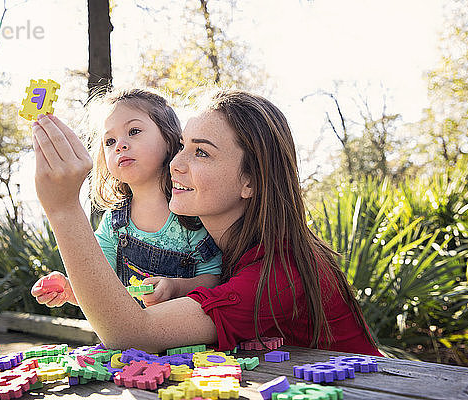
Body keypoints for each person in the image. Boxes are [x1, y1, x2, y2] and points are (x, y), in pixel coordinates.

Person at [30, 89, 382, 356]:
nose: (175, 164)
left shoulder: (277, 273)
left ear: (251, 181)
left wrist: (62, 208)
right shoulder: (225, 253)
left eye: (201, 152)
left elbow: (132, 335)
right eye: (181, 146)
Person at [31, 89, 222, 308]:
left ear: (169, 140)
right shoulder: (114, 223)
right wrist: (69, 289)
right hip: (126, 341)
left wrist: (175, 287)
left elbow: (215, 281)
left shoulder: (191, 212)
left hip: (187, 338)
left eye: (134, 131)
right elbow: (98, 285)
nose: (120, 145)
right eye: (110, 141)